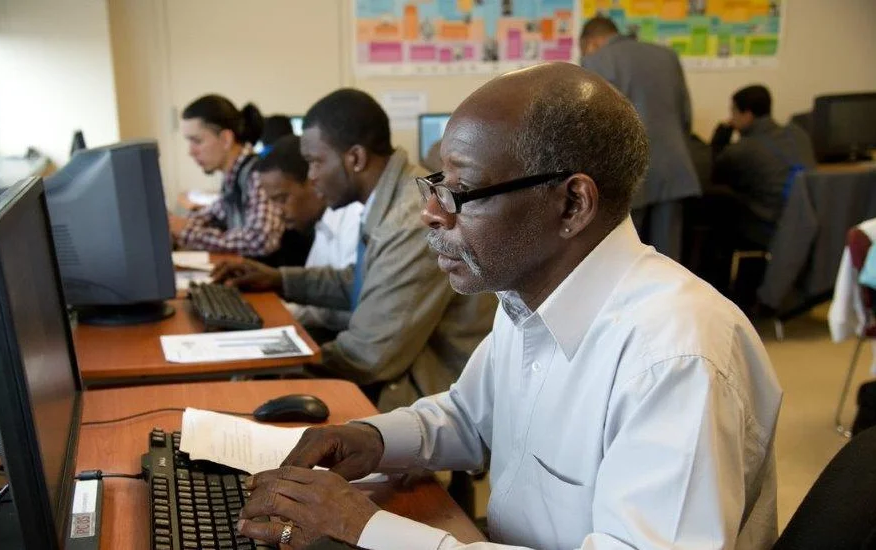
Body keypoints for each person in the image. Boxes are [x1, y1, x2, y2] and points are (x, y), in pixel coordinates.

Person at [233, 63, 783, 550]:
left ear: (572, 204)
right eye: (435, 183)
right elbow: (470, 416)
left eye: (461, 190)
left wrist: (368, 530)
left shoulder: (676, 356)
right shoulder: (526, 293)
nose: (431, 212)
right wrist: (373, 440)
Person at [213, 88, 497, 411]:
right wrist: (280, 279)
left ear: (356, 159)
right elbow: (365, 283)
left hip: (433, 395)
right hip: (404, 369)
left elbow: (369, 356)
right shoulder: (391, 198)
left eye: (315, 162)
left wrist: (272, 363)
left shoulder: (410, 219)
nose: (311, 177)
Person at [580, 16, 700, 261]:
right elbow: (685, 116)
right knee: (668, 262)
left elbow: (591, 126)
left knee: (624, 260)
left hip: (624, 174)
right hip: (672, 170)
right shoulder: (666, 56)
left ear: (591, 42)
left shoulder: (595, 61)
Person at [256, 134, 363, 333]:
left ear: (313, 182)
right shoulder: (322, 224)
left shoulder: (355, 218)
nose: (278, 211)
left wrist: (282, 312)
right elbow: (317, 308)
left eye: (282, 198)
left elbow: (358, 307)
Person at [168, 94, 285, 258]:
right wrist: (175, 225)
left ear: (225, 139)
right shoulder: (233, 177)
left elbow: (261, 240)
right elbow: (214, 213)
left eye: (197, 141)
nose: (191, 152)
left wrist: (187, 232)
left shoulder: (257, 174)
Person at [710, 84, 816, 249]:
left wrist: (720, 138)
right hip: (812, 220)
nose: (731, 118)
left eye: (734, 112)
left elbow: (716, 173)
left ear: (747, 115)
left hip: (772, 228)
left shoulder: (744, 148)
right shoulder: (798, 133)